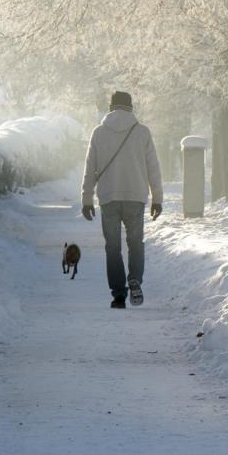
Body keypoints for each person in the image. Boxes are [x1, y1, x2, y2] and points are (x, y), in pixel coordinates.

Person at [81, 91, 163, 309]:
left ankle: (118, 294)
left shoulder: (98, 133)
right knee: (135, 244)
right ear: (131, 107)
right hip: (135, 197)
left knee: (113, 247)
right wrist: (157, 198)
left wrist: (86, 199)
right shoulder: (142, 132)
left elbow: (90, 168)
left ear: (111, 107)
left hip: (109, 197)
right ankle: (135, 277)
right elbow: (153, 168)